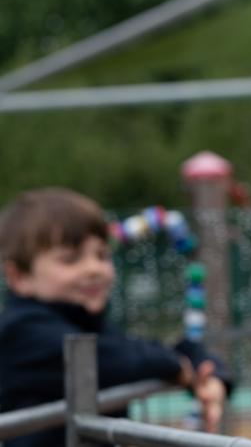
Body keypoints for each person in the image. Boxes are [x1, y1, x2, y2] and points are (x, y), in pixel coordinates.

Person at [0, 188, 232, 447]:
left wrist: (209, 374)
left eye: (102, 255)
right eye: (70, 259)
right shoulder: (21, 332)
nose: (94, 269)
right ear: (19, 277)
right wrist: (177, 366)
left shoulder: (91, 326)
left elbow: (149, 350)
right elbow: (114, 359)